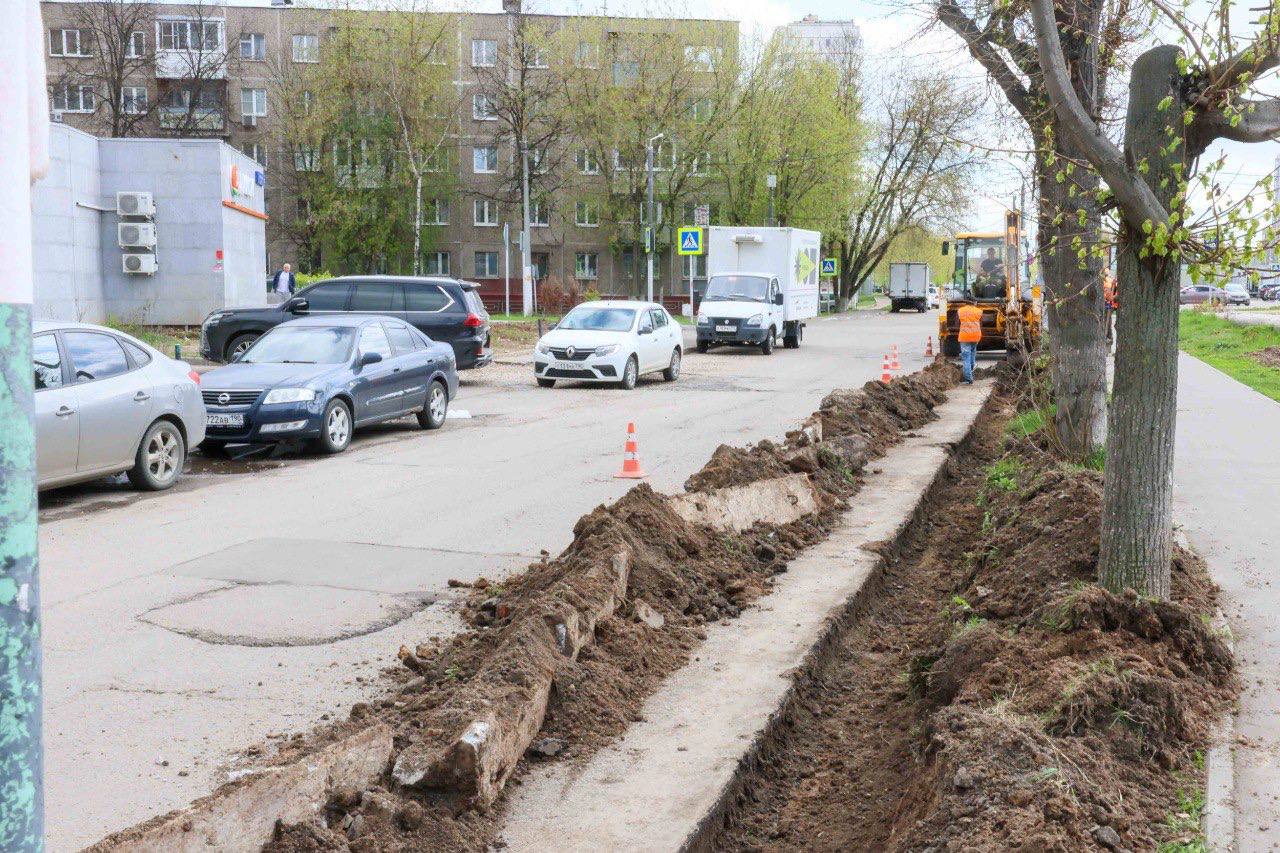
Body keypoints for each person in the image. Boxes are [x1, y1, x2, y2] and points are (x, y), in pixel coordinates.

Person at [957, 302, 983, 384]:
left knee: (966, 356)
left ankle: (968, 378)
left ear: (965, 303)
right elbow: (981, 323)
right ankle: (971, 369)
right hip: (976, 336)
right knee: (972, 353)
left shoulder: (960, 311)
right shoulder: (978, 311)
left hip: (964, 336)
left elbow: (957, 323)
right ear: (974, 303)